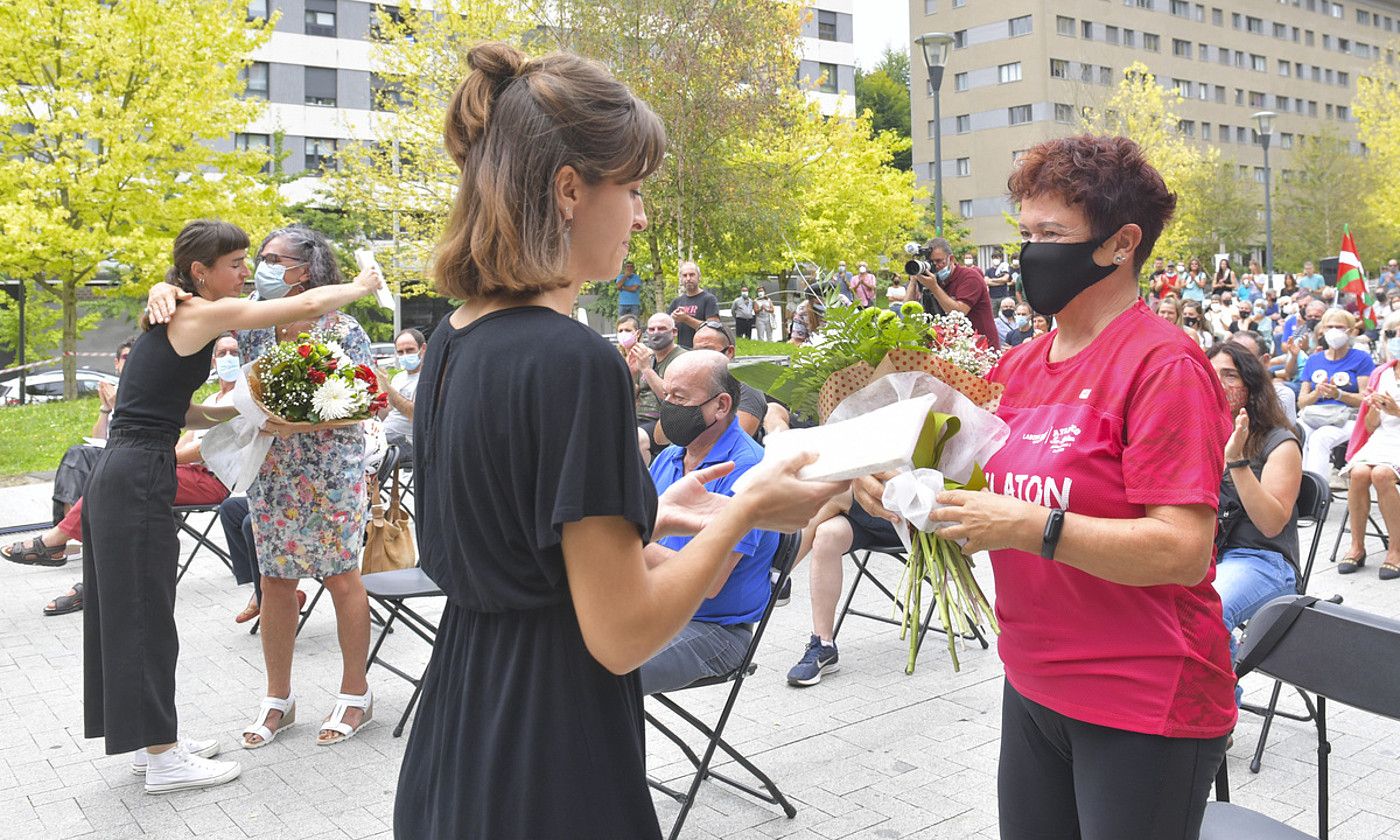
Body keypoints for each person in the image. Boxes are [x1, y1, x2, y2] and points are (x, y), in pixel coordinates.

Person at [391, 42, 846, 839]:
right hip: (551, 748)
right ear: (569, 190)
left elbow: (517, 539)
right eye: (632, 190)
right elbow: (623, 633)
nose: (639, 217)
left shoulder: (456, 340)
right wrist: (745, 515)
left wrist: (653, 511)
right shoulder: (577, 363)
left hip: (458, 723)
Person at [855, 134, 1234, 838]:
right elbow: (969, 509)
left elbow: (1182, 549)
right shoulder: (1017, 368)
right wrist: (899, 496)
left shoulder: (1164, 364)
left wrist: (1032, 527)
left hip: (1143, 697)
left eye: (1050, 235)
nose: (1028, 254)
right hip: (1034, 681)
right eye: (1024, 234)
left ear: (1121, 244)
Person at [88, 219, 381, 793]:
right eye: (242, 263)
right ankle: (165, 755)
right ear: (201, 271)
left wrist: (234, 414)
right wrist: (365, 282)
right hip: (151, 469)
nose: (251, 272)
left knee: (138, 614)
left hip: (147, 463)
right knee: (144, 616)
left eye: (262, 260)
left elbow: (185, 405)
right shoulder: (205, 313)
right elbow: (316, 301)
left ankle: (158, 740)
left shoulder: (185, 308)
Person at [230, 226, 382, 749]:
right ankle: (278, 699)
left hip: (331, 470)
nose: (262, 268)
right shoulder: (253, 322)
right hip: (271, 470)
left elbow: (367, 401)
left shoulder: (343, 328)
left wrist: (302, 421)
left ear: (307, 269)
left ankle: (355, 694)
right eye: (261, 258)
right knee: (274, 579)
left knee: (342, 577)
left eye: (275, 259)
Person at [6, 334, 241, 620]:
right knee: (105, 480)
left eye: (235, 351)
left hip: (212, 479)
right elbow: (181, 445)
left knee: (120, 481)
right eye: (223, 352)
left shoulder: (240, 396)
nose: (229, 357)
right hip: (177, 470)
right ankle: (87, 575)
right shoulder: (210, 398)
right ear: (213, 360)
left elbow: (204, 449)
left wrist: (150, 458)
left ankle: (62, 547)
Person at [639, 351, 779, 694]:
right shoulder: (673, 456)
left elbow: (710, 582)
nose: (668, 406)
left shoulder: (748, 469)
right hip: (655, 611)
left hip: (715, 630)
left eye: (679, 398)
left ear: (721, 405)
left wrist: (627, 542)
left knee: (598, 673)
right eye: (666, 394)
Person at [1206, 341, 1301, 704]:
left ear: (1250, 385)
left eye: (1229, 374)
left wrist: (1237, 462)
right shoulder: (1196, 432)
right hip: (1207, 554)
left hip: (1264, 560)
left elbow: (1270, 524)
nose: (1219, 383)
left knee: (1209, 610)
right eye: (1211, 375)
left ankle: (1217, 713)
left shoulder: (1279, 442)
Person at [48, 340, 133, 526]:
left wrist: (118, 406)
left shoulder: (143, 393)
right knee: (77, 458)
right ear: (116, 363)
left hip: (130, 456)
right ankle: (69, 528)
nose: (130, 361)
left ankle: (66, 530)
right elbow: (98, 439)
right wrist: (105, 408)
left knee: (77, 456)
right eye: (126, 357)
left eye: (135, 357)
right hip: (110, 454)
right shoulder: (114, 392)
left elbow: (137, 433)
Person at [1341, 336, 1400, 580]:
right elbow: (1369, 425)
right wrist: (1376, 409)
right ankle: (1357, 546)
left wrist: (1396, 410)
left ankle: (1396, 550)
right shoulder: (1382, 373)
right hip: (1382, 439)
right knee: (1359, 473)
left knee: (1382, 474)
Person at [1298, 308, 1373, 479]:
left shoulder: (1362, 358)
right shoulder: (1313, 360)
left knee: (1320, 439)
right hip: (1314, 415)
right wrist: (1317, 393)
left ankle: (1316, 492)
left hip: (1347, 418)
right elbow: (1302, 402)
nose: (1334, 331)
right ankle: (1296, 489)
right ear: (1322, 330)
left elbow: (1365, 399)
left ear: (1350, 330)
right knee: (1296, 436)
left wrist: (1339, 395)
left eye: (1339, 327)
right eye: (1329, 326)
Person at [903, 237, 999, 346]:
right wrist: (913, 281)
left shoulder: (969, 277)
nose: (935, 266)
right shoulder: (930, 279)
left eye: (939, 261)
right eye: (930, 262)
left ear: (951, 259)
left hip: (980, 348)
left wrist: (934, 288)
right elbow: (907, 311)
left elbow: (958, 313)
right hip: (948, 347)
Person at [690, 319, 766, 438]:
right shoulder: (692, 384)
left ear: (729, 352)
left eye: (708, 350)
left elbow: (733, 440)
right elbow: (661, 437)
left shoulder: (747, 389)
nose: (701, 357)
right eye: (696, 352)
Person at [633, 313, 688, 460]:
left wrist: (646, 369)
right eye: (651, 329)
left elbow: (671, 399)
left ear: (674, 332)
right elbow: (634, 394)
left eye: (662, 328)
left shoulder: (682, 359)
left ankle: (644, 482)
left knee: (636, 440)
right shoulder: (647, 358)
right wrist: (629, 371)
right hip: (638, 418)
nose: (656, 333)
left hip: (666, 421)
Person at [1230, 331, 1297, 427]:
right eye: (1232, 358)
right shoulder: (1220, 391)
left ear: (1264, 360)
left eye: (1245, 359)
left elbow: (1278, 435)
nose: (1237, 365)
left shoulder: (1281, 396)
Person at [378, 328, 425, 450]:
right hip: (386, 436)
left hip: (408, 443)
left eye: (410, 350)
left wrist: (387, 387)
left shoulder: (428, 379)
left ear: (423, 349)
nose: (405, 355)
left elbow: (414, 414)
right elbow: (387, 410)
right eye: (400, 352)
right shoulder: (399, 377)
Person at [668, 261, 718, 348]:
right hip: (682, 351)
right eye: (684, 275)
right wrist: (672, 320)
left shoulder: (709, 299)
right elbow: (667, 330)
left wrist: (686, 319)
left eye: (691, 275)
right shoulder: (676, 302)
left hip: (704, 350)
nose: (688, 278)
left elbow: (714, 328)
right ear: (680, 279)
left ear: (699, 277)